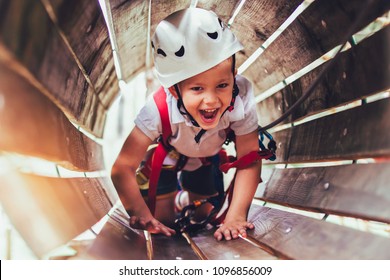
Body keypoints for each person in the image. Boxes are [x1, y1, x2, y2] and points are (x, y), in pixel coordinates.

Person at [111, 7, 262, 241]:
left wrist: (235, 216)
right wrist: (140, 214)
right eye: (197, 88)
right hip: (166, 158)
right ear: (173, 89)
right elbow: (122, 168)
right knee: (164, 224)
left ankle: (183, 199)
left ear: (234, 74)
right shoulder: (157, 109)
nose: (211, 100)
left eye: (222, 85)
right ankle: (173, 198)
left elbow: (249, 159)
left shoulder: (240, 96)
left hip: (205, 157)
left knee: (202, 214)